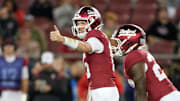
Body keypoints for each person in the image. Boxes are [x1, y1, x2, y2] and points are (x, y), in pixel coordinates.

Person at [50, 6, 119, 101]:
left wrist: (63, 39)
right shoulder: (96, 36)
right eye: (78, 23)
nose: (79, 26)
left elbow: (86, 47)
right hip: (100, 88)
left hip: (102, 90)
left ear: (93, 22)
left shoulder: (95, 35)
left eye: (83, 23)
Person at [111, 24, 180, 101]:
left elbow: (141, 90)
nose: (116, 45)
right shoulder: (141, 53)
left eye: (119, 41)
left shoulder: (133, 56)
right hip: (169, 96)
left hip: (164, 98)